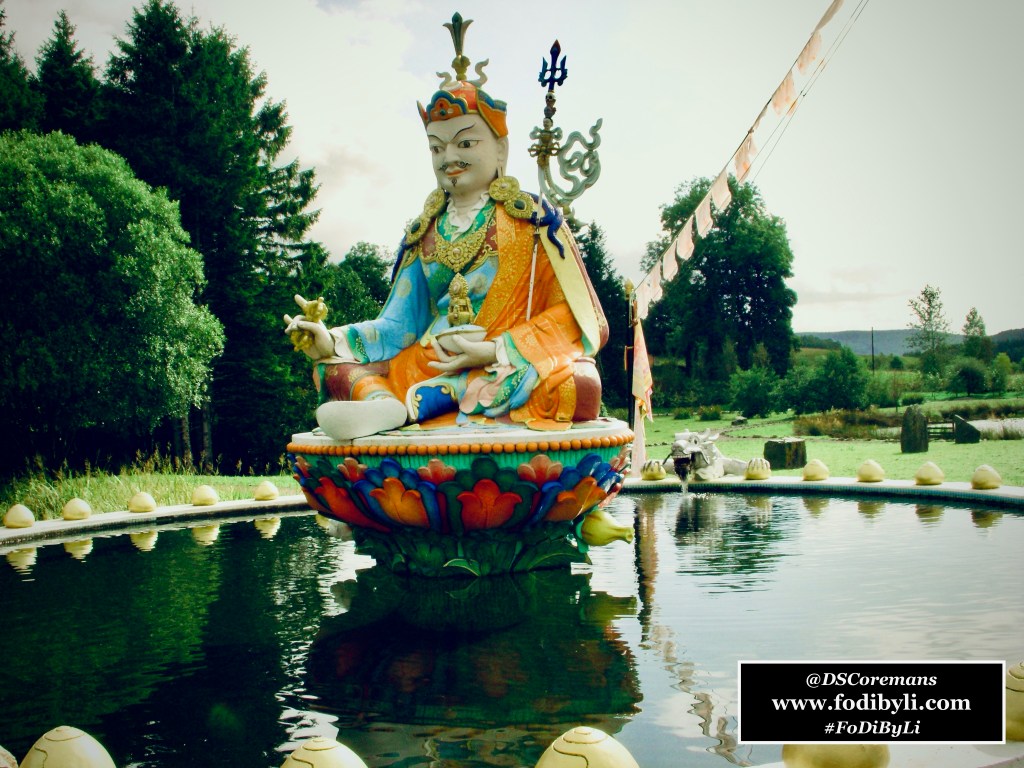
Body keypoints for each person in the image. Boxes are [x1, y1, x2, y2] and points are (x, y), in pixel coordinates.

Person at [284, 70, 608, 440]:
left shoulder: (531, 221)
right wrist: (333, 340)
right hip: (426, 362)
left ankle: (408, 405)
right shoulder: (423, 231)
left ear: (500, 149)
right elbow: (398, 325)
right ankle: (386, 403)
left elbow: (580, 318)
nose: (449, 158)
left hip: (501, 365)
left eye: (465, 143)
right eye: (436, 149)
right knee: (331, 367)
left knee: (580, 383)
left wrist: (495, 349)